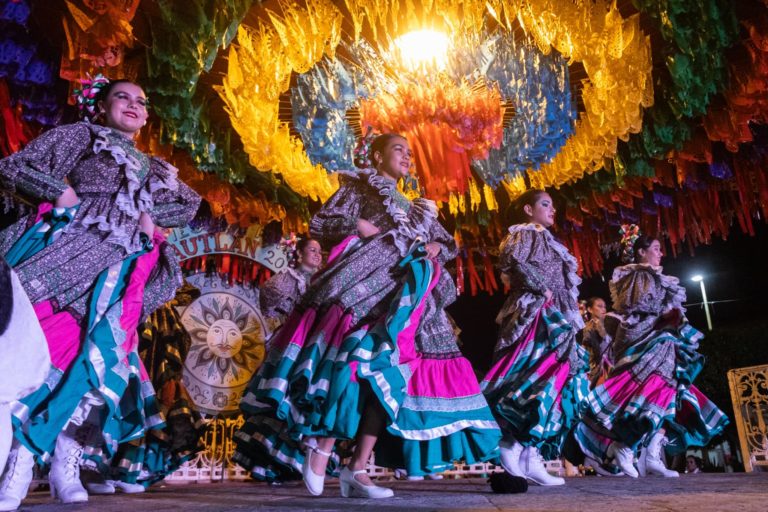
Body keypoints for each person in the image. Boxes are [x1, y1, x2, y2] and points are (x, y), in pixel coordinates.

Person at [234, 132, 500, 498]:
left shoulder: (415, 207)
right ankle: (320, 447)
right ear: (376, 157)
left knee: (389, 379)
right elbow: (323, 222)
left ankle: (356, 468)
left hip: (405, 300)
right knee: (352, 363)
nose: (406, 157)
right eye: (398, 150)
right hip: (364, 288)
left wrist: (437, 245)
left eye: (409, 152)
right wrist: (359, 226)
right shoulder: (360, 188)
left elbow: (448, 243)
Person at [0, 77, 200, 510]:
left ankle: (66, 464)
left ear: (146, 116)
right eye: (121, 97)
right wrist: (63, 191)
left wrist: (148, 216)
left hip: (126, 269)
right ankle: (18, 461)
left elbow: (188, 203)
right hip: (74, 255)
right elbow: (15, 166)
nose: (132, 105)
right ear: (100, 106)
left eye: (141, 101)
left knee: (103, 363)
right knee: (48, 349)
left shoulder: (156, 167)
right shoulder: (83, 136)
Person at [573, 228, 729, 479]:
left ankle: (652, 454)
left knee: (671, 394)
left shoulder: (656, 277)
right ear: (641, 252)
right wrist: (666, 314)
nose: (660, 253)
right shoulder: (637, 274)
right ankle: (624, 447)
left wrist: (673, 318)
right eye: (656, 248)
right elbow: (635, 305)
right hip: (645, 342)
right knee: (652, 393)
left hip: (664, 343)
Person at [480, 189, 589, 486]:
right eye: (545, 204)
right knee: (529, 377)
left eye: (553, 205)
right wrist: (543, 288)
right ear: (528, 209)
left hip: (556, 316)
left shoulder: (547, 238)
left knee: (554, 382)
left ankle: (530, 453)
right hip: (535, 314)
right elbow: (515, 261)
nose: (552, 210)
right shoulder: (525, 233)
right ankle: (509, 445)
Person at [259, 237, 323, 343]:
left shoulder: (319, 282)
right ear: (300, 253)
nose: (317, 255)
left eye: (319, 252)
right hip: (284, 335)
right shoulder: (287, 276)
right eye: (313, 250)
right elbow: (266, 298)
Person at [579, 297, 612, 388]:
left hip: (608, 367)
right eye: (599, 306)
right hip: (596, 371)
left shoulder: (606, 325)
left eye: (604, 307)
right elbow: (594, 352)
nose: (603, 309)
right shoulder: (588, 329)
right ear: (590, 309)